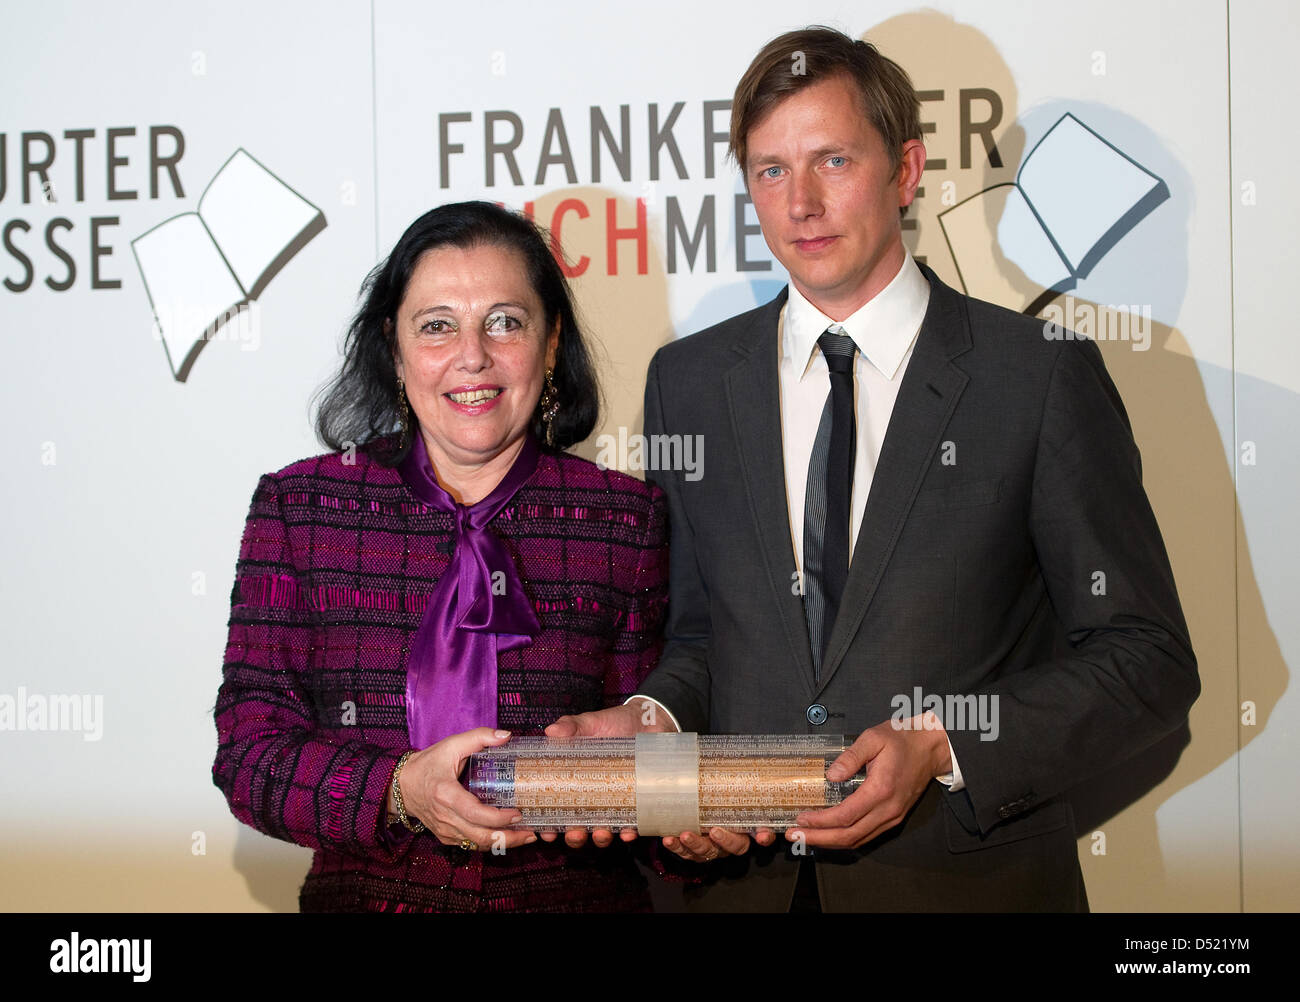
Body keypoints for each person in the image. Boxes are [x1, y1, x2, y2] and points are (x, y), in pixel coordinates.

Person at [548, 27, 1199, 911]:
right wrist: (653, 724)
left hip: (968, 885)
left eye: (833, 161)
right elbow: (700, 640)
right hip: (739, 889)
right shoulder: (691, 381)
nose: (802, 203)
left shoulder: (1037, 375)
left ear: (905, 169)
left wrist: (943, 744)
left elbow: (1146, 657)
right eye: (771, 171)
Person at [212, 201, 668, 912]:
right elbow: (248, 755)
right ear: (394, 351)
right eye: (437, 326)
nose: (473, 356)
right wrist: (398, 789)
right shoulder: (301, 508)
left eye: (505, 322)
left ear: (550, 346)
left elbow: (653, 752)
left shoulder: (625, 521)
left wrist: (688, 826)